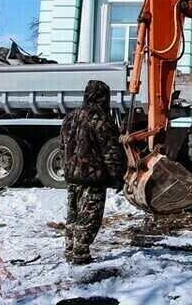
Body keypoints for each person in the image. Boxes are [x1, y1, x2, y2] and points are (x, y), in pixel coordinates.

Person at [60, 79, 126, 264]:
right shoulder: (100, 118)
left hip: (72, 176)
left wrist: (68, 167)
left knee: (73, 214)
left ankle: (70, 248)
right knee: (89, 216)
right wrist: (117, 175)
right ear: (103, 97)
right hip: (92, 176)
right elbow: (110, 150)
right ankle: (80, 253)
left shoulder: (70, 117)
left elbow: (62, 146)